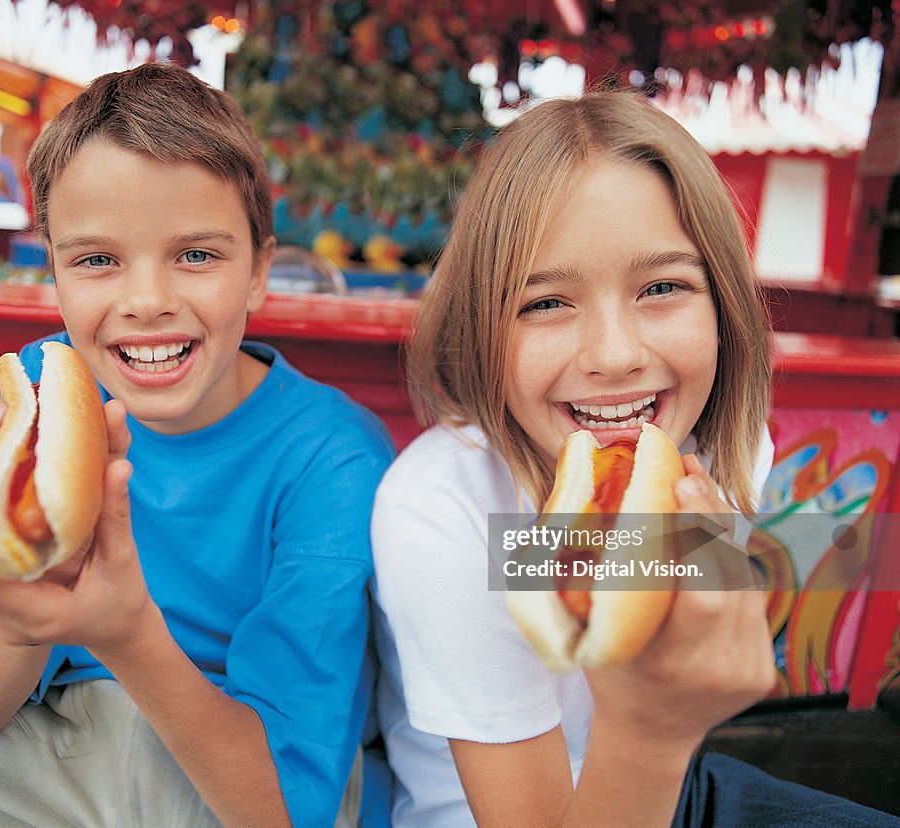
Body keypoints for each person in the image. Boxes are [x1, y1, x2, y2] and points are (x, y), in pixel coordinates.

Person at [0, 62, 395, 827]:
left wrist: (121, 629)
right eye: (96, 259)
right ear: (50, 271)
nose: (147, 302)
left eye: (196, 255)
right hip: (42, 745)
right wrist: (36, 598)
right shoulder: (39, 391)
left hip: (228, 765)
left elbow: (284, 808)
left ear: (258, 271)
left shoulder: (333, 456)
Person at [371, 92, 900, 826]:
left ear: (725, 307)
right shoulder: (444, 510)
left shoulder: (729, 454)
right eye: (546, 303)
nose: (615, 357)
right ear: (481, 328)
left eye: (662, 288)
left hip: (670, 786)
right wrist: (655, 727)